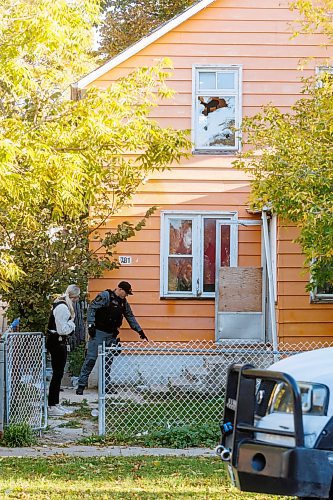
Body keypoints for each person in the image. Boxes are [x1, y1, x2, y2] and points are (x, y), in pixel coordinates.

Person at [76, 281, 148, 395]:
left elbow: (129, 316)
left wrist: (139, 330)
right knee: (91, 359)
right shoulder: (105, 296)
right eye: (126, 293)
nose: (126, 296)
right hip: (99, 332)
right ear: (120, 289)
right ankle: (81, 385)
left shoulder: (123, 303)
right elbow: (92, 308)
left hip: (111, 335)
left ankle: (105, 386)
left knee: (107, 362)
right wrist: (90, 325)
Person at [47, 284, 81, 416]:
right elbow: (63, 330)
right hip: (57, 342)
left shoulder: (60, 304)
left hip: (57, 341)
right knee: (57, 374)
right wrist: (72, 324)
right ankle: (51, 406)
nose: (77, 300)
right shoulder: (63, 308)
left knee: (59, 374)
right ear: (74, 296)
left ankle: (55, 403)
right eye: (77, 297)